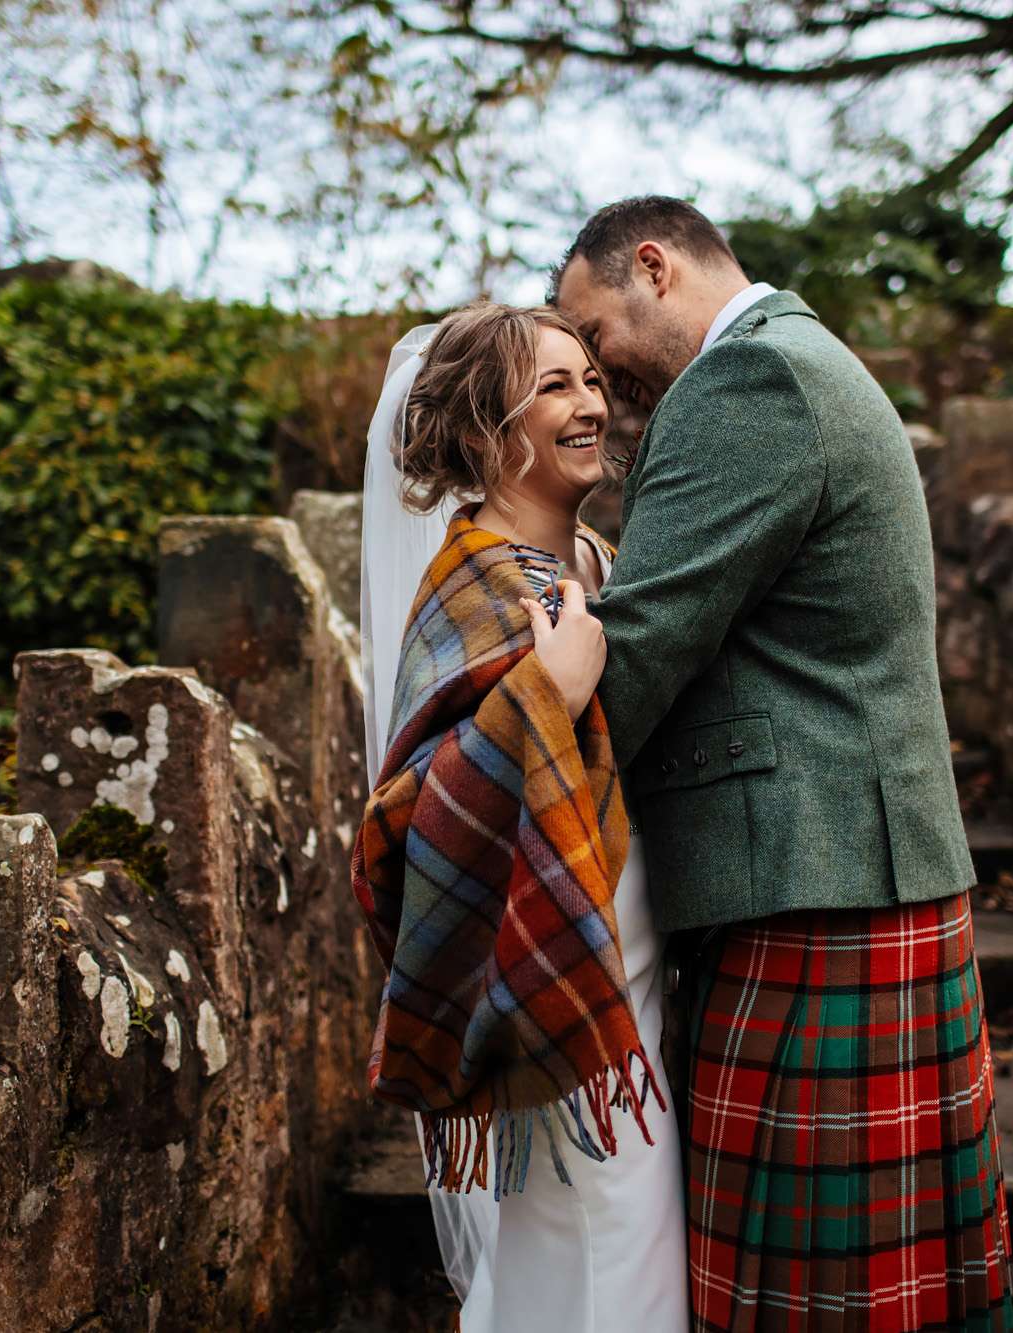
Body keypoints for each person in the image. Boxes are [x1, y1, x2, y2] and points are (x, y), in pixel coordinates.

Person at [551, 197, 1013, 1332]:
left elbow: (642, 645)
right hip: (842, 861)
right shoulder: (802, 358)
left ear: (651, 268)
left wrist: (495, 753)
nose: (600, 382)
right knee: (870, 1290)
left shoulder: (745, 384)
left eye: (595, 337)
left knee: (809, 1297)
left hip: (814, 877)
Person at [351, 303, 689, 1333]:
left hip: (628, 981)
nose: (590, 403)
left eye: (589, 377)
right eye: (553, 387)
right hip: (548, 986)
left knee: (618, 1262)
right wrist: (543, 692)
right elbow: (409, 818)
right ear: (481, 431)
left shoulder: (595, 558)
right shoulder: (472, 586)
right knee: (598, 1266)